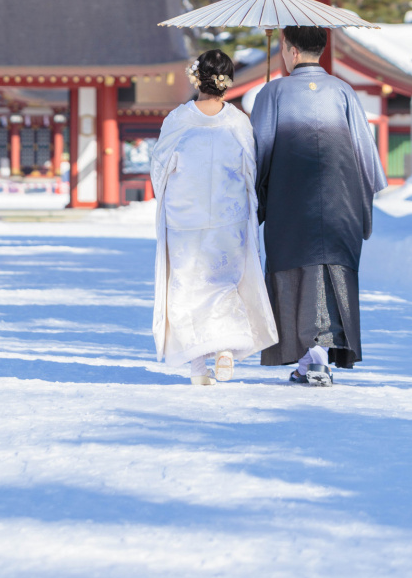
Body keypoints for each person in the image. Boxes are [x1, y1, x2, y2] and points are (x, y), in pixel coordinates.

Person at [251, 25, 386, 386]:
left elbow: (258, 153)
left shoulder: (273, 92)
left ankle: (313, 359)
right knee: (332, 271)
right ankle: (317, 358)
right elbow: (365, 155)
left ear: (291, 51)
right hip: (342, 199)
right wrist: (364, 204)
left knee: (297, 270)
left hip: (290, 199)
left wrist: (252, 198)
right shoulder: (344, 91)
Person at [150, 49, 278, 385]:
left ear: (197, 78)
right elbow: (251, 169)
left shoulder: (178, 120)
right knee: (225, 285)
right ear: (227, 81)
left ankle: (197, 366)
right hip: (228, 216)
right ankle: (224, 350)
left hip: (185, 219)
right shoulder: (237, 122)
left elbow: (160, 169)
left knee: (188, 288)